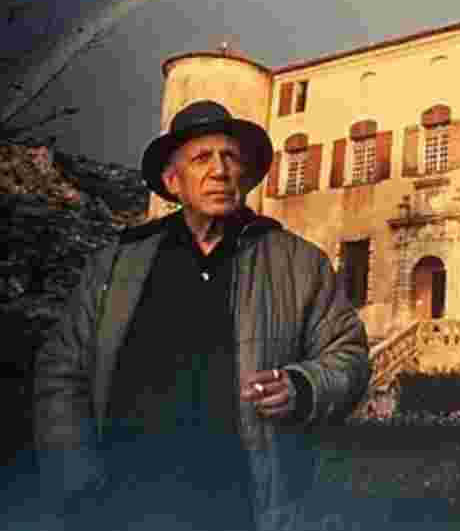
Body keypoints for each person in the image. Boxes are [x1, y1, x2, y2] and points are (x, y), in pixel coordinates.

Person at [33, 100, 371, 531]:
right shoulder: (115, 265)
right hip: (121, 502)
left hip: (241, 506)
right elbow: (62, 370)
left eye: (231, 157)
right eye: (201, 158)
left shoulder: (299, 264)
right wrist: (74, 473)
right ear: (173, 182)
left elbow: (349, 356)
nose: (220, 170)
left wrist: (303, 385)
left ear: (246, 177)